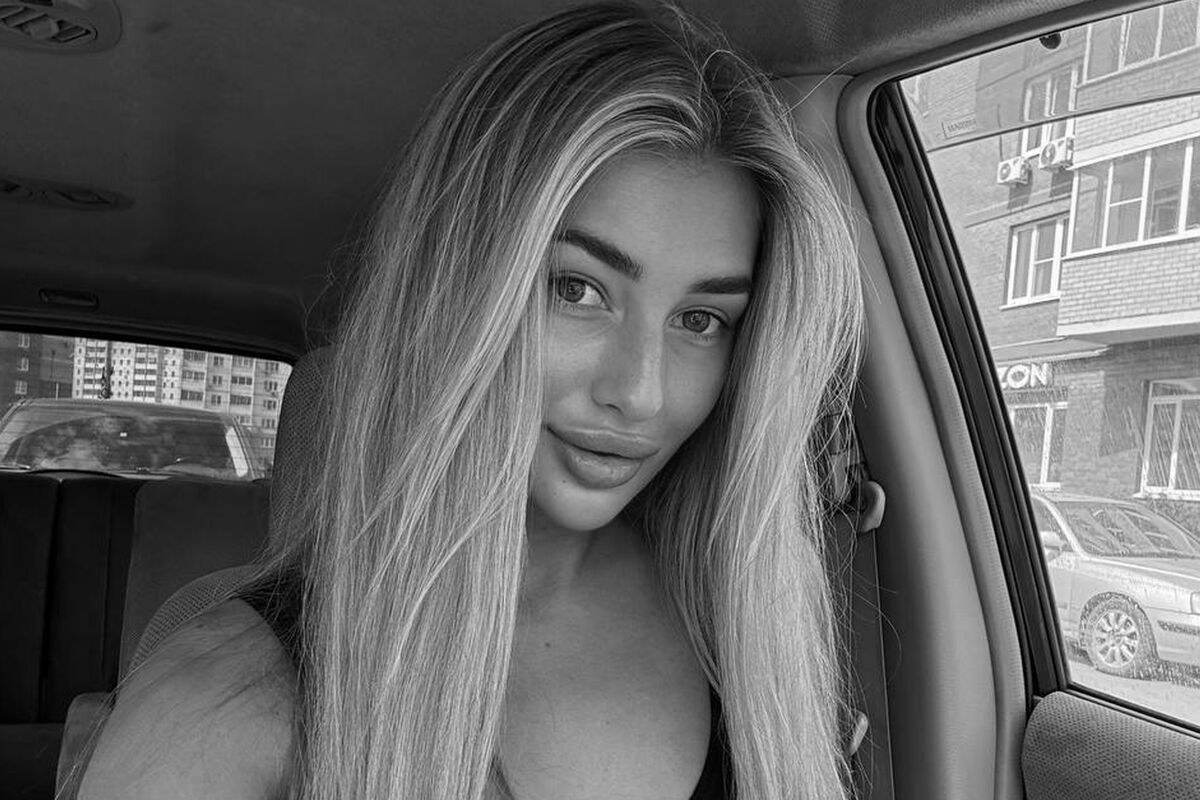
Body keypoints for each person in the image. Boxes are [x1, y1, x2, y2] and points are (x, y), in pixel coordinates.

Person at [74, 3, 865, 798]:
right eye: (576, 289)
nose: (640, 394)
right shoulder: (217, 709)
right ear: (451, 294)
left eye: (701, 321)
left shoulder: (755, 632)